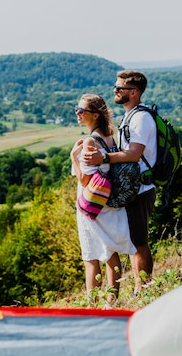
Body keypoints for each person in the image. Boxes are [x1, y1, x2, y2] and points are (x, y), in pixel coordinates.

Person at [82, 70, 157, 294]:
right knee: (134, 242)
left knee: (139, 243)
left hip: (141, 188)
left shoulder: (141, 118)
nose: (115, 91)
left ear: (133, 92)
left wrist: (103, 158)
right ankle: (139, 289)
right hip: (134, 188)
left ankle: (143, 290)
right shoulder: (131, 116)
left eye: (119, 88)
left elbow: (134, 154)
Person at [70, 93, 136, 305]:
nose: (78, 114)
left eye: (82, 111)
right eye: (77, 109)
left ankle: (92, 306)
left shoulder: (90, 141)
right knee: (111, 252)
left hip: (91, 205)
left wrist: (74, 158)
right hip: (107, 203)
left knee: (91, 258)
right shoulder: (109, 138)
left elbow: (85, 180)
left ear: (95, 116)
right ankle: (111, 302)